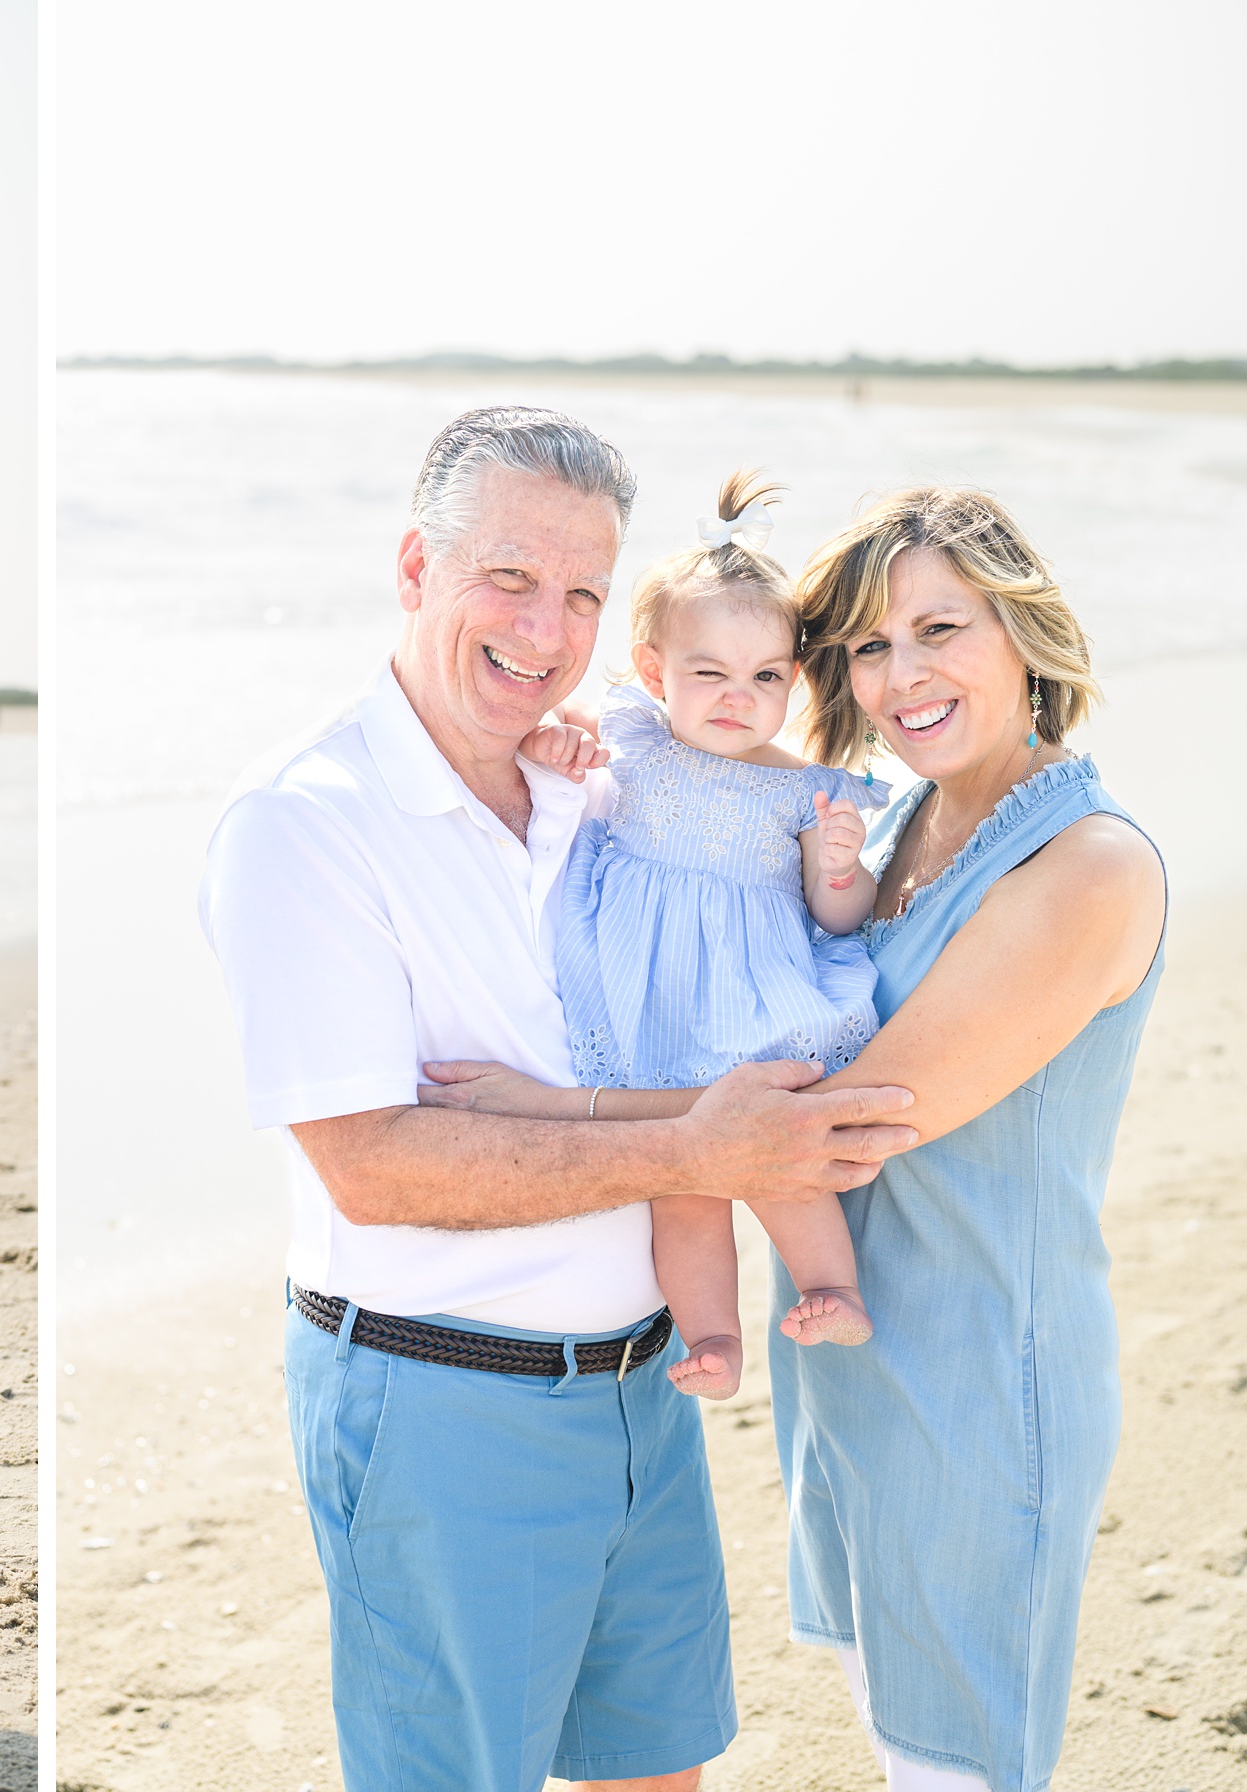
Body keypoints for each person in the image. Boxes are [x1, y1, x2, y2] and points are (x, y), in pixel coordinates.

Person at [199, 406, 920, 1792]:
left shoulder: (591, 785)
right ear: (416, 566)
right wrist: (696, 1141)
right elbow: (377, 1166)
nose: (548, 626)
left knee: (659, 1773)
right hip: (443, 1401)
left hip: (644, 1390)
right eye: (511, 577)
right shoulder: (305, 823)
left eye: (584, 591)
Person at [426, 487, 1164, 1790]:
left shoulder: (1086, 867)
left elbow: (837, 1129)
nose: (903, 676)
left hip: (983, 1374)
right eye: (871, 648)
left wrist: (548, 1112)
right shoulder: (893, 821)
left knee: (960, 1758)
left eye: (942, 629)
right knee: (890, 1722)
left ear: (1025, 629)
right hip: (849, 1363)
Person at [522, 470, 893, 1403]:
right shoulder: (635, 735)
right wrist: (550, 746)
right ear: (655, 673)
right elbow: (546, 734)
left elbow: (838, 917)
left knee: (780, 1166)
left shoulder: (807, 787)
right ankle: (715, 1338)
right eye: (709, 674)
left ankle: (830, 1287)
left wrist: (842, 863)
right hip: (646, 990)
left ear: (794, 680)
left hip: (747, 993)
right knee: (683, 1180)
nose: (738, 698)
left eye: (765, 677)